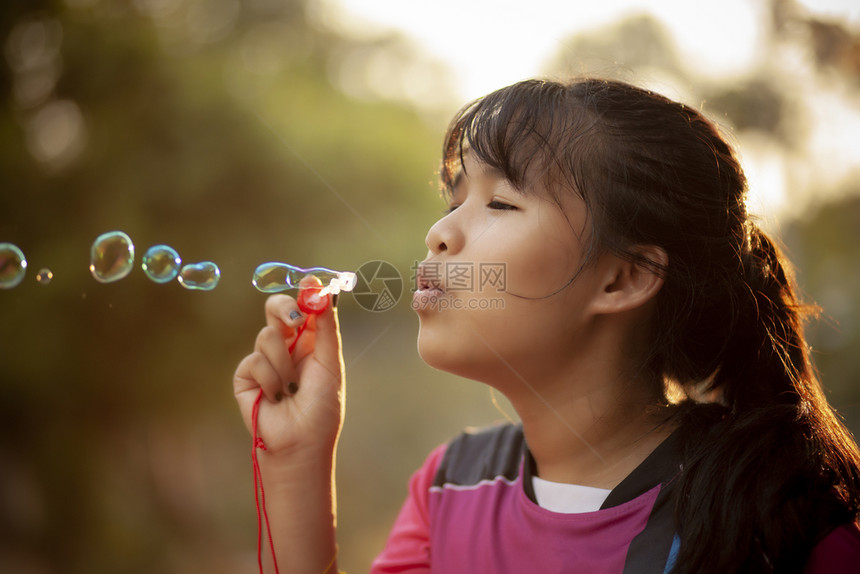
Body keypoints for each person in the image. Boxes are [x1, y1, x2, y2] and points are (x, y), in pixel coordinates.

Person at [232, 78, 860, 573]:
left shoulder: (776, 524)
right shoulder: (452, 487)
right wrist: (295, 460)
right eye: (454, 203)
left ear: (624, 279)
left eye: (500, 203)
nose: (438, 234)